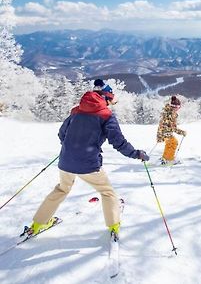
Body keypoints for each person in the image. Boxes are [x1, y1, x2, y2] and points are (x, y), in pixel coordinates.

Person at [27, 79, 149, 237]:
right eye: (112, 100)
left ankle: (37, 224)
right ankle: (114, 226)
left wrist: (70, 147)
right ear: (107, 98)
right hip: (88, 164)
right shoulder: (106, 115)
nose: (112, 104)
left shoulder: (76, 111)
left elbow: (62, 133)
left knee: (62, 189)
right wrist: (136, 153)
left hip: (65, 160)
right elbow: (118, 142)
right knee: (107, 192)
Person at [157, 95, 186, 165]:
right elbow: (173, 127)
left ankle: (165, 158)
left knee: (169, 144)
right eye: (178, 107)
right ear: (174, 107)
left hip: (163, 132)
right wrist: (182, 132)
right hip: (165, 132)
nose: (179, 109)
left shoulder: (168, 111)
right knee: (174, 142)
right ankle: (169, 159)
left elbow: (171, 126)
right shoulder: (170, 113)